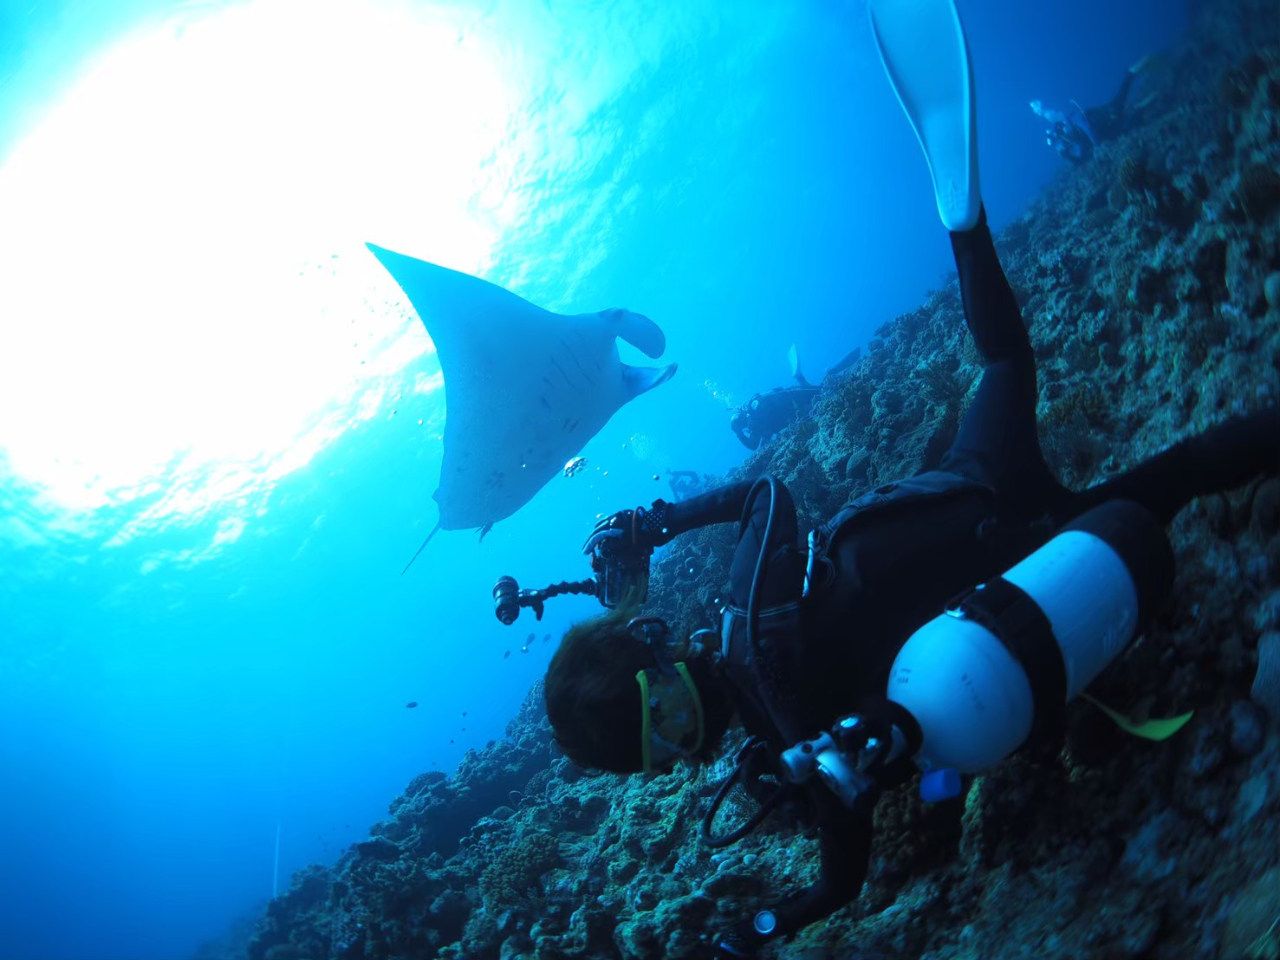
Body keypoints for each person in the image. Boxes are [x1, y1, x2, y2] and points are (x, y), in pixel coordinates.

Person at [544, 3, 1276, 957]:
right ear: (649, 641)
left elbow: (845, 874)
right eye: (661, 746)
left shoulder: (783, 729)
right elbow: (768, 498)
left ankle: (963, 224)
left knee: (1129, 455)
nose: (681, 736)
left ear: (653, 654)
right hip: (989, 511)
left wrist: (779, 918)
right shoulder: (766, 671)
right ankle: (962, 223)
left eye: (659, 716)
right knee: (1047, 392)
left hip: (1004, 533)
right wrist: (660, 520)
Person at [1031, 53, 1162, 163]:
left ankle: (1142, 65)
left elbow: (1086, 126)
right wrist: (1069, 156)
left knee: (1124, 89)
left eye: (1061, 140)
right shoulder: (1076, 138)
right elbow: (1083, 159)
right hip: (1111, 129)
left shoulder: (1073, 120)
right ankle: (1159, 93)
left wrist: (1097, 145)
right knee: (1132, 116)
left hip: (1107, 114)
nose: (1064, 143)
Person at [730, 347, 821, 450]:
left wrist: (739, 434)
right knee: (820, 392)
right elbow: (767, 430)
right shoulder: (755, 412)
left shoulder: (752, 421)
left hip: (796, 405)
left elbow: (753, 445)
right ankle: (800, 379)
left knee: (824, 393)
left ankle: (801, 379)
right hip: (791, 395)